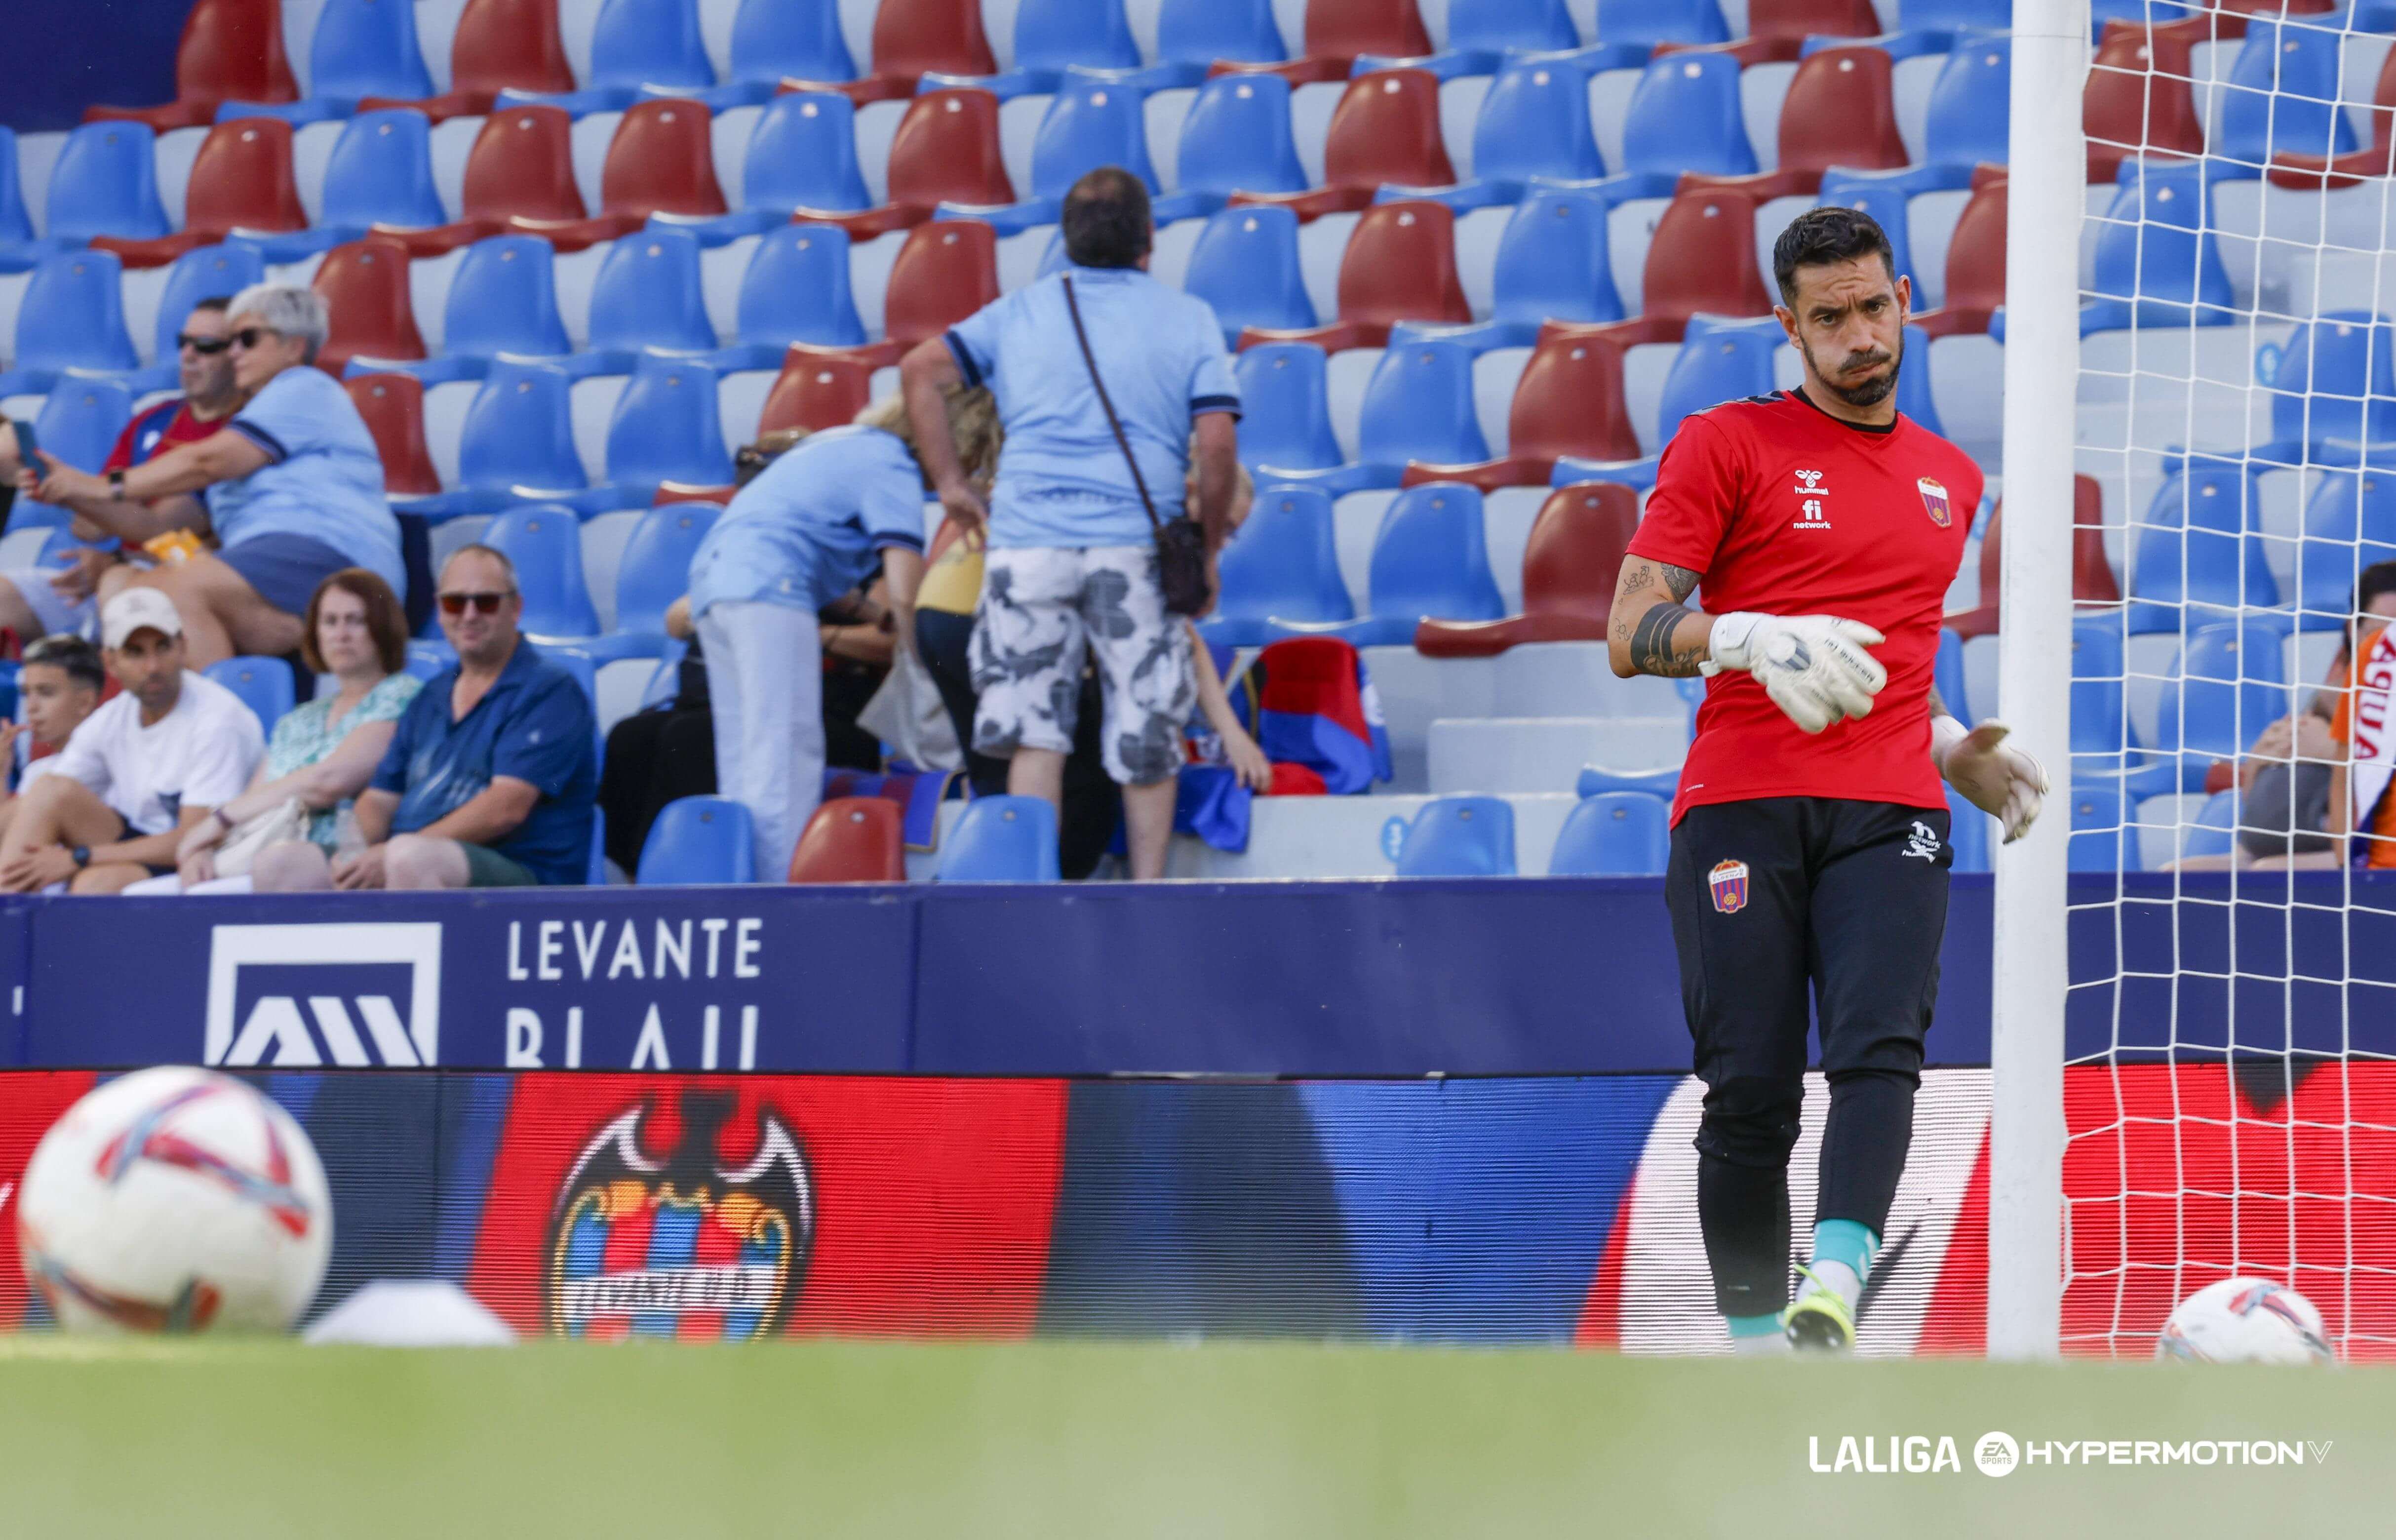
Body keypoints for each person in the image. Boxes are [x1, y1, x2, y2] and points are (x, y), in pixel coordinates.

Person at [1605, 206, 2046, 1353]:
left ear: (1906, 296)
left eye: (1874, 308)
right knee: (1749, 1086)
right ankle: (1756, 1349)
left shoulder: (1950, 478)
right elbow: (1630, 625)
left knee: (1878, 1050)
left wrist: (1956, 747)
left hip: (1893, 800)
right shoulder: (1724, 443)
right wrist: (1741, 638)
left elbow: (1899, 663)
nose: (1860, 336)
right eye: (1830, 318)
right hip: (1740, 797)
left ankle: (1835, 1285)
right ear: (1788, 326)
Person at [901, 165, 1242, 881]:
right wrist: (1206, 549)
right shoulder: (1188, 318)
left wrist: (951, 484)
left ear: (1066, 240)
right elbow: (1215, 442)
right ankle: (1148, 892)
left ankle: (1033, 894)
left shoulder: (1019, 310)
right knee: (1146, 725)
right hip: (1133, 545)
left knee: (1035, 733)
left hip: (1027, 543)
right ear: (1149, 238)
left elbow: (922, 368)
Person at [21, 284, 406, 668]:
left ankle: (210, 725)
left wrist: (102, 485)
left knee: (162, 599)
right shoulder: (249, 425)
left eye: (247, 339)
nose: (234, 351)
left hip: (335, 556)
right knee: (129, 593)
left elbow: (205, 463)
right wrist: (66, 488)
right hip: (278, 565)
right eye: (232, 341)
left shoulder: (305, 387)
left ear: (295, 347)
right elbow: (156, 526)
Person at [683, 395, 982, 877]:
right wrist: (921, 659)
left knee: (744, 761)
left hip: (715, 585)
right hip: (770, 587)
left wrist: (871, 614)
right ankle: (781, 892)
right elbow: (905, 589)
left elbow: (800, 537)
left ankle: (742, 882)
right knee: (784, 753)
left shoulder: (835, 445)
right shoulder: (892, 463)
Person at [254, 546, 595, 891]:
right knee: (281, 863)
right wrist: (353, 854)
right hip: (409, 858)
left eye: (486, 601)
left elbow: (505, 808)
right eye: (455, 602)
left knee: (412, 857)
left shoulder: (549, 691)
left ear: (516, 608)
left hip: (522, 875)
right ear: (440, 610)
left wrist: (389, 853)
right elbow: (380, 797)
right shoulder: (431, 696)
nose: (470, 614)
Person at [143, 569, 421, 894]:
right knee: (149, 894)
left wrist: (217, 822)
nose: (341, 634)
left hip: (332, 862)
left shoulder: (402, 694)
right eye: (330, 622)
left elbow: (329, 782)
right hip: (261, 853)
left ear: (382, 628)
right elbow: (253, 800)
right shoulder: (298, 719)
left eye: (355, 621)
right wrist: (206, 847)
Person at [0, 299, 246, 642]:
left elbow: (167, 530)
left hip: (181, 578)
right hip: (117, 569)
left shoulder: (239, 435)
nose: (188, 355)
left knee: (119, 586)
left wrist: (106, 547)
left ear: (238, 356)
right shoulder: (153, 418)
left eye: (205, 346)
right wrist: (66, 491)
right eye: (183, 343)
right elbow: (88, 528)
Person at [0, 590, 263, 895]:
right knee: (48, 789)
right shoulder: (115, 716)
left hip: (206, 856)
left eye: (162, 647)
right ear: (110, 662)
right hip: (139, 843)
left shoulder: (218, 719)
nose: (152, 666)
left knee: (93, 884)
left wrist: (81, 857)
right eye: (135, 652)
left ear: (182, 647)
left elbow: (199, 836)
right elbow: (40, 803)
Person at [0, 635, 106, 811]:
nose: (31, 707)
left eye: (46, 693)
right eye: (27, 693)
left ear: (84, 702)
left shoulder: (101, 764)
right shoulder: (36, 771)